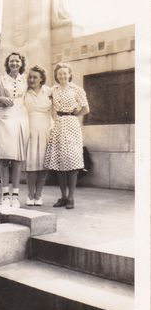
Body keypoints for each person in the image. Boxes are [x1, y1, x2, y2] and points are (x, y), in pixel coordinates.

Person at [44, 63, 90, 209]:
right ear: (56, 76)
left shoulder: (77, 89)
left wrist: (75, 113)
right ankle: (63, 196)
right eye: (59, 74)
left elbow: (86, 109)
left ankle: (71, 197)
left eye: (65, 73)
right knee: (59, 164)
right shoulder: (53, 90)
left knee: (72, 162)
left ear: (70, 74)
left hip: (71, 125)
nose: (62, 76)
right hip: (58, 125)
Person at [0, 52, 29, 208]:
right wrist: (0, 99)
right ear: (7, 63)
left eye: (17, 61)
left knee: (18, 158)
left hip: (20, 118)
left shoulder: (25, 80)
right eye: (11, 61)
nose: (14, 64)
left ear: (21, 63)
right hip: (4, 119)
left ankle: (16, 196)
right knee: (5, 158)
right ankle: (5, 195)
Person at [24, 66, 53, 206]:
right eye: (30, 77)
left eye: (35, 77)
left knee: (43, 164)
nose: (32, 79)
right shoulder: (25, 92)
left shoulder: (49, 91)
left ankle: (38, 194)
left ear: (41, 78)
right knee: (31, 164)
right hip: (30, 129)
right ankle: (30, 195)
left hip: (46, 129)